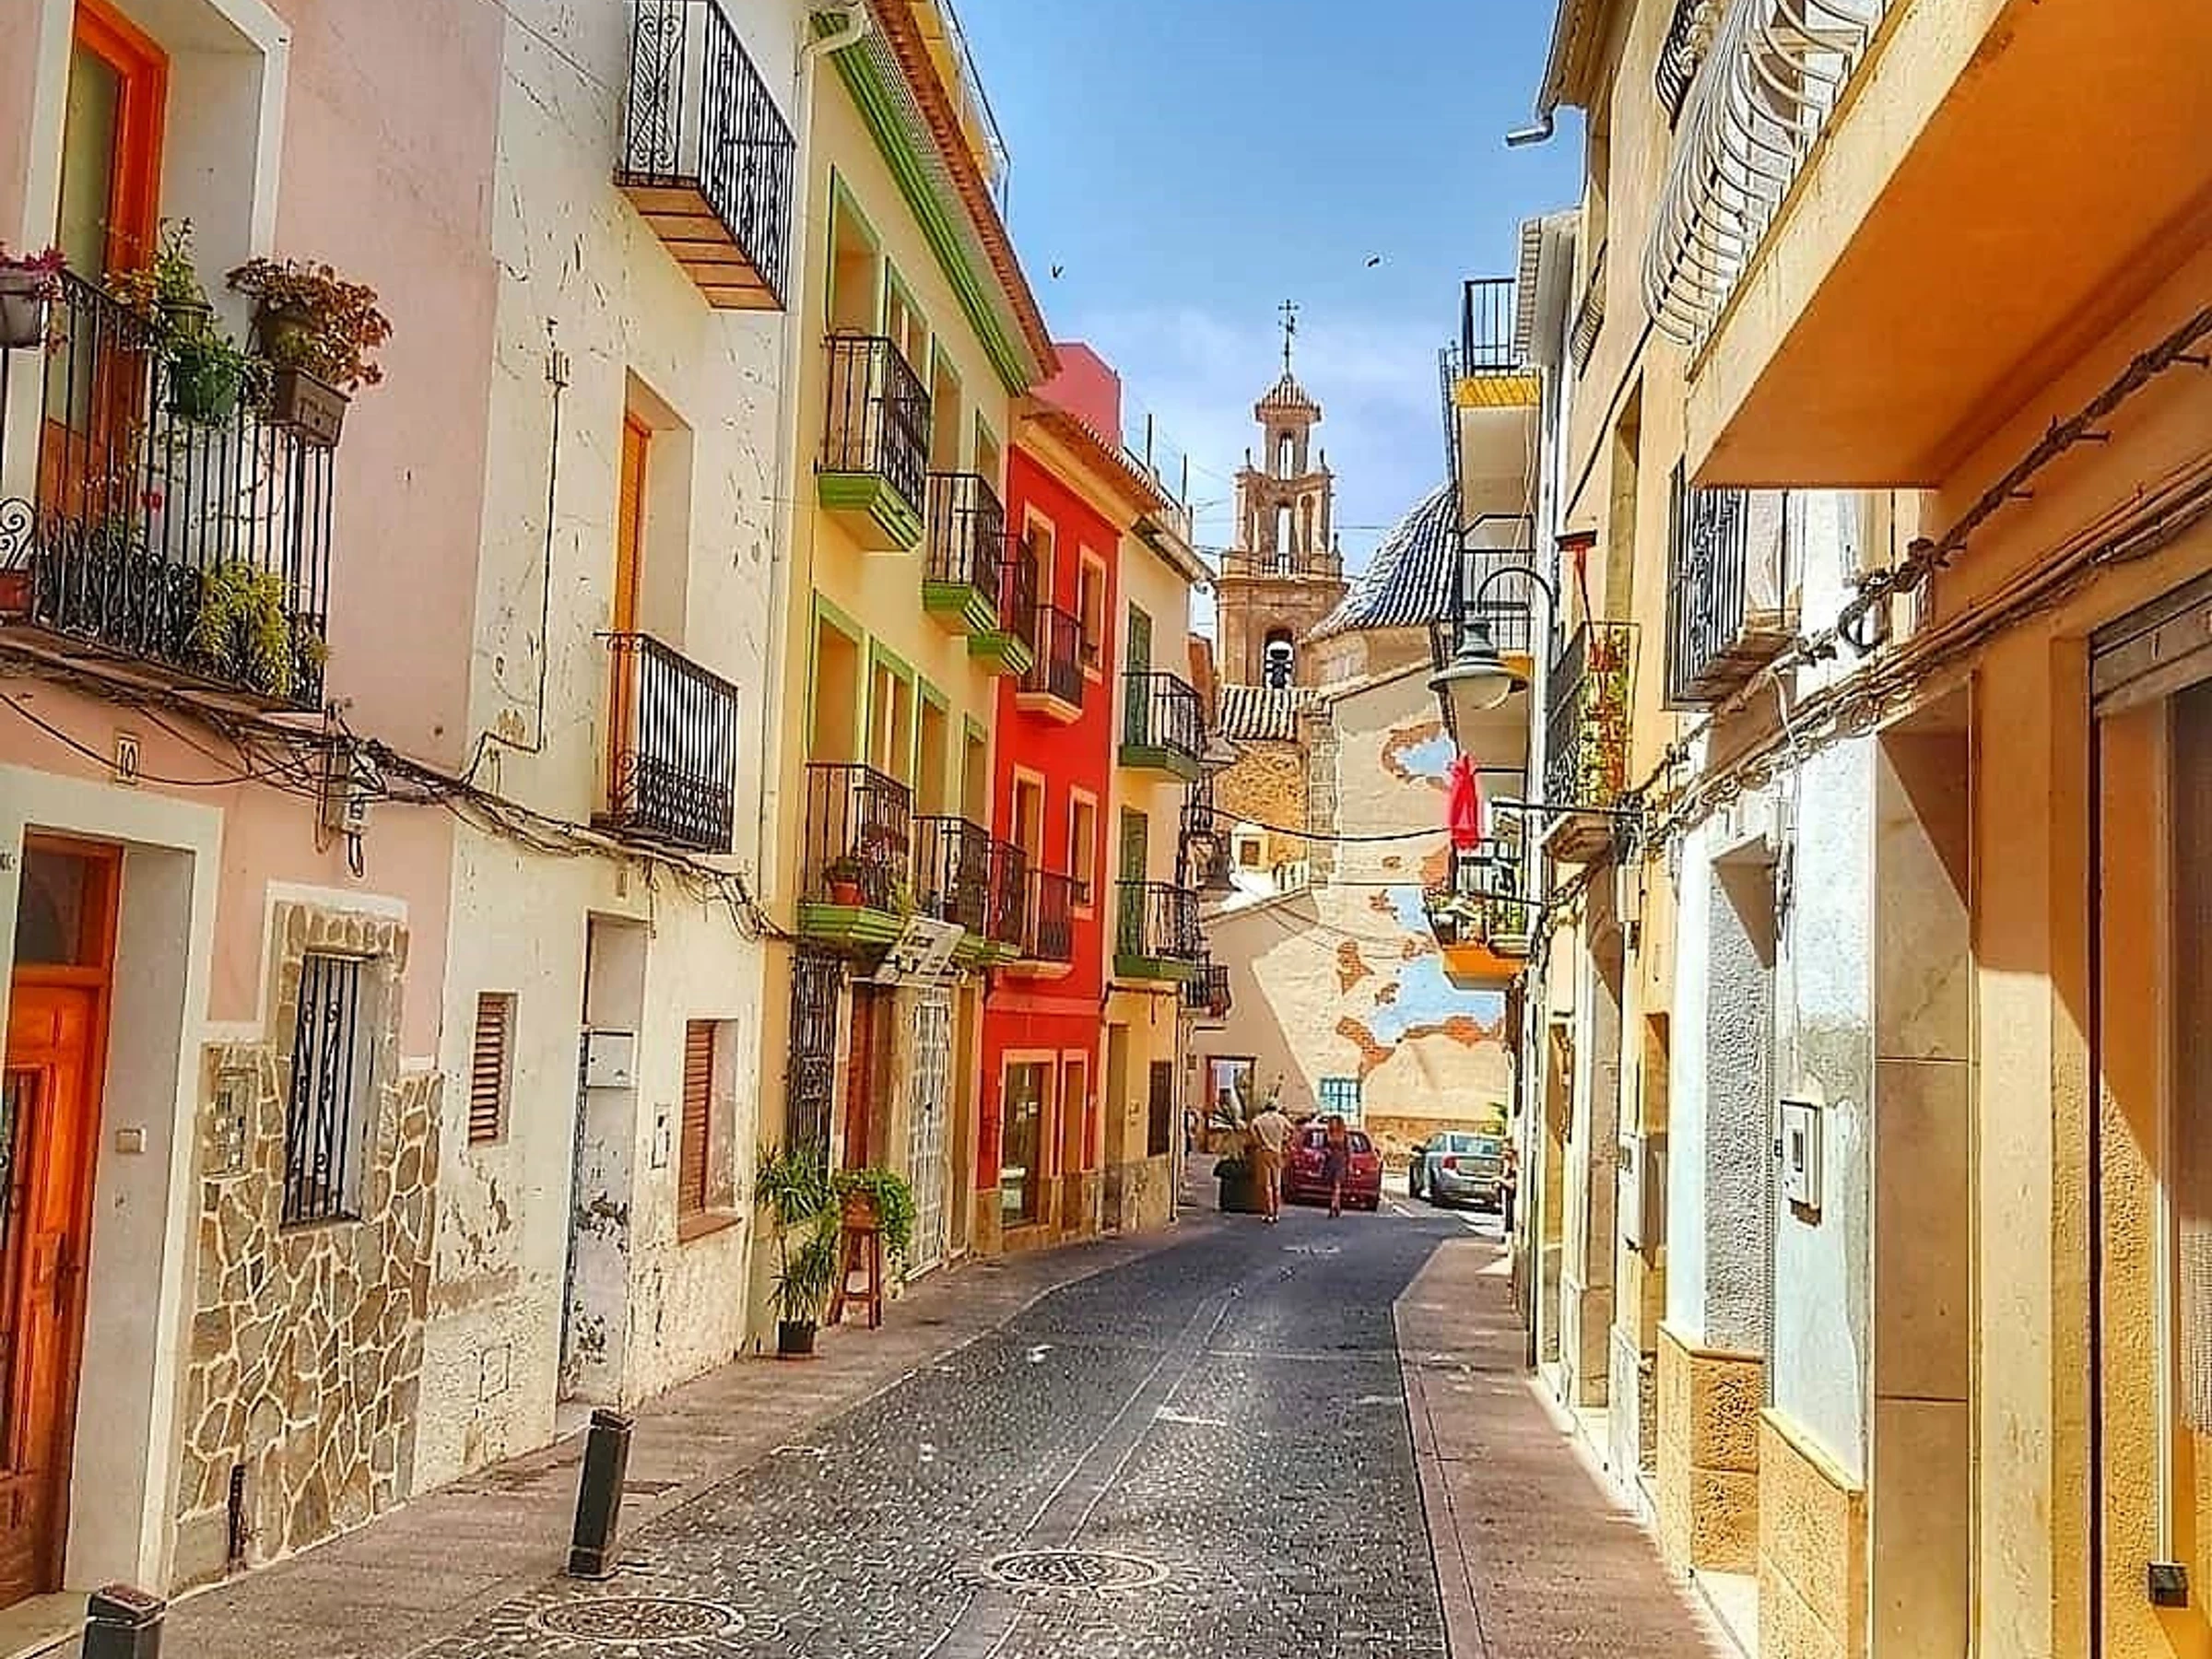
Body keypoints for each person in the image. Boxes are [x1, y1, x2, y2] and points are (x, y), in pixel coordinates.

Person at [1247, 1096, 1294, 1224]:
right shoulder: (1281, 1118)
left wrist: (1259, 1142)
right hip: (1277, 1152)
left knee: (1267, 1185)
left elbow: (1252, 1130)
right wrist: (1285, 1141)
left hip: (1264, 1152)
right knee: (1277, 1184)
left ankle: (1268, 1213)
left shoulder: (1259, 1119)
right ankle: (1277, 1213)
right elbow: (1292, 1130)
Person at [1322, 1113, 1352, 1218]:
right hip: (1330, 1161)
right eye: (1332, 1122)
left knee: (1337, 1184)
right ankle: (1337, 1206)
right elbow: (1324, 1147)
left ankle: (1332, 1207)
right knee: (1332, 1186)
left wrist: (1349, 1164)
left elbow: (1348, 1150)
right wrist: (1326, 1151)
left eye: (1336, 1122)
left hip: (1341, 1162)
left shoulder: (1344, 1135)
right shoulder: (1327, 1134)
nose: (1334, 1124)